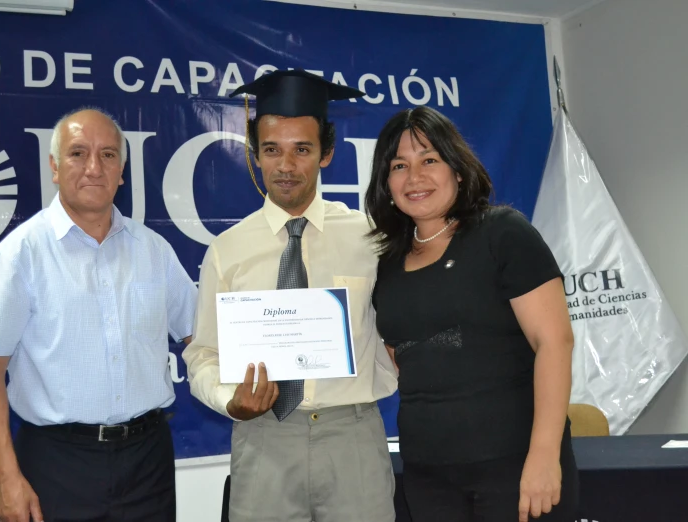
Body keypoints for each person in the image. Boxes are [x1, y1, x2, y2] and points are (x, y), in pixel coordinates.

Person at [182, 69, 399, 522]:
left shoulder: (371, 239)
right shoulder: (227, 251)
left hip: (353, 438)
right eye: (272, 150)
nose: (286, 165)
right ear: (254, 155)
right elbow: (202, 354)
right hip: (264, 439)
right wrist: (230, 400)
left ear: (326, 153)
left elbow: (401, 326)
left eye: (302, 149)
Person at [0, 107, 197, 522]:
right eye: (78, 153)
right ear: (54, 167)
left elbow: (199, 336)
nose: (94, 167)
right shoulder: (20, 256)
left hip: (148, 462)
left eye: (108, 155)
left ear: (122, 171)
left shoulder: (155, 251)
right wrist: (8, 481)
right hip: (57, 465)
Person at [365, 106, 579, 522]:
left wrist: (543, 457)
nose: (415, 177)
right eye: (399, 165)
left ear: (458, 171)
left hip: (516, 466)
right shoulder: (386, 264)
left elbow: (554, 342)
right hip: (428, 476)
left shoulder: (502, 233)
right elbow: (403, 357)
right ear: (386, 183)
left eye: (430, 160)